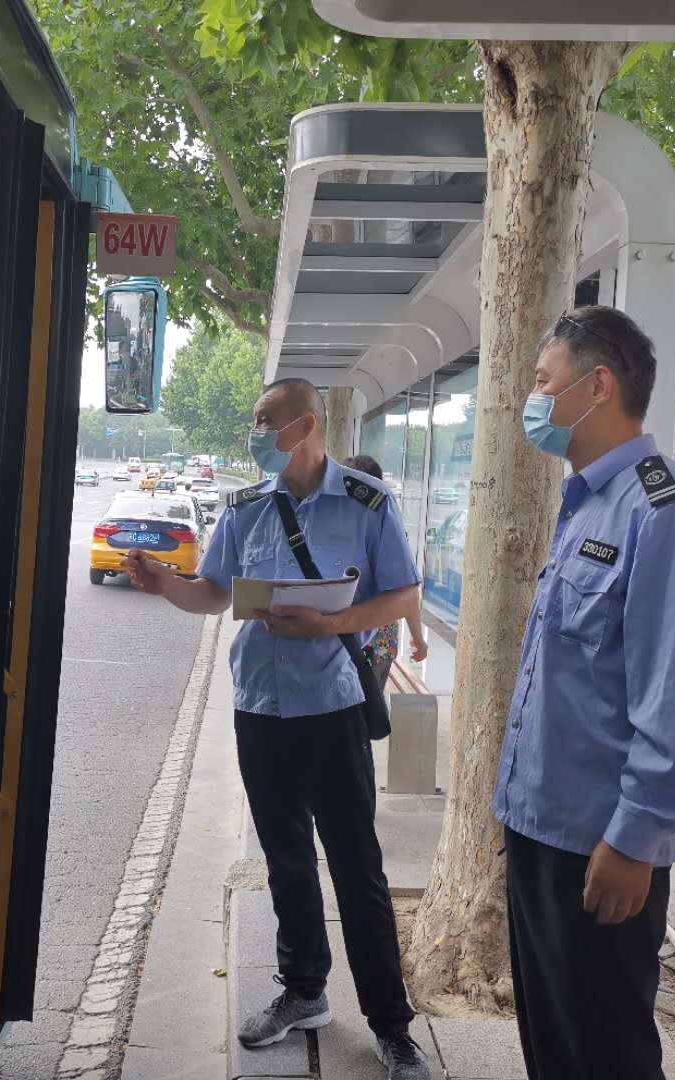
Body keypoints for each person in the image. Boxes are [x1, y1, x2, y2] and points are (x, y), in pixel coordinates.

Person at [123, 378, 433, 1080]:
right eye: (254, 422)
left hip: (332, 708)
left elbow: (402, 593)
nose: (256, 434)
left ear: (306, 424)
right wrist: (167, 584)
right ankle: (304, 991)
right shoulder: (245, 508)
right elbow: (214, 593)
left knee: (357, 868)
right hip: (260, 709)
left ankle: (392, 1026)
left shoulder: (367, 502)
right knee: (286, 861)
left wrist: (332, 624)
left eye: (266, 420)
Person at [494, 306, 675, 1080]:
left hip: (600, 849)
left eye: (543, 380)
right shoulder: (587, 502)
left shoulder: (664, 509)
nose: (532, 397)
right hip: (538, 827)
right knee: (553, 1048)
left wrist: (635, 841)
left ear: (597, 386)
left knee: (605, 1056)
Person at [342, 454, 428, 689]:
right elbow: (407, 588)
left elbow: (406, 590)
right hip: (376, 646)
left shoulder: (336, 528)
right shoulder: (387, 527)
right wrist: (418, 638)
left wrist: (418, 638)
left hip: (348, 645)